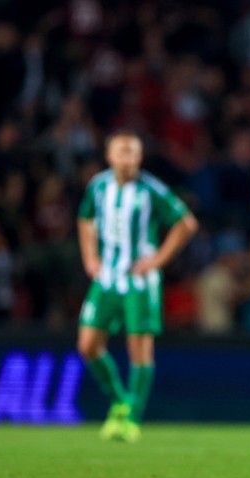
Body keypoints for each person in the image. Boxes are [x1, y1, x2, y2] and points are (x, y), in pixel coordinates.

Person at [77, 131, 198, 442]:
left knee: (139, 351)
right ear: (110, 156)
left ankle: (132, 419)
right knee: (88, 345)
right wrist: (90, 256)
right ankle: (120, 401)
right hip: (106, 278)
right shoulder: (99, 185)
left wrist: (157, 260)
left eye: (133, 152)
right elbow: (85, 219)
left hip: (139, 281)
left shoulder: (149, 190)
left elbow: (186, 223)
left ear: (140, 158)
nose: (128, 158)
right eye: (122, 151)